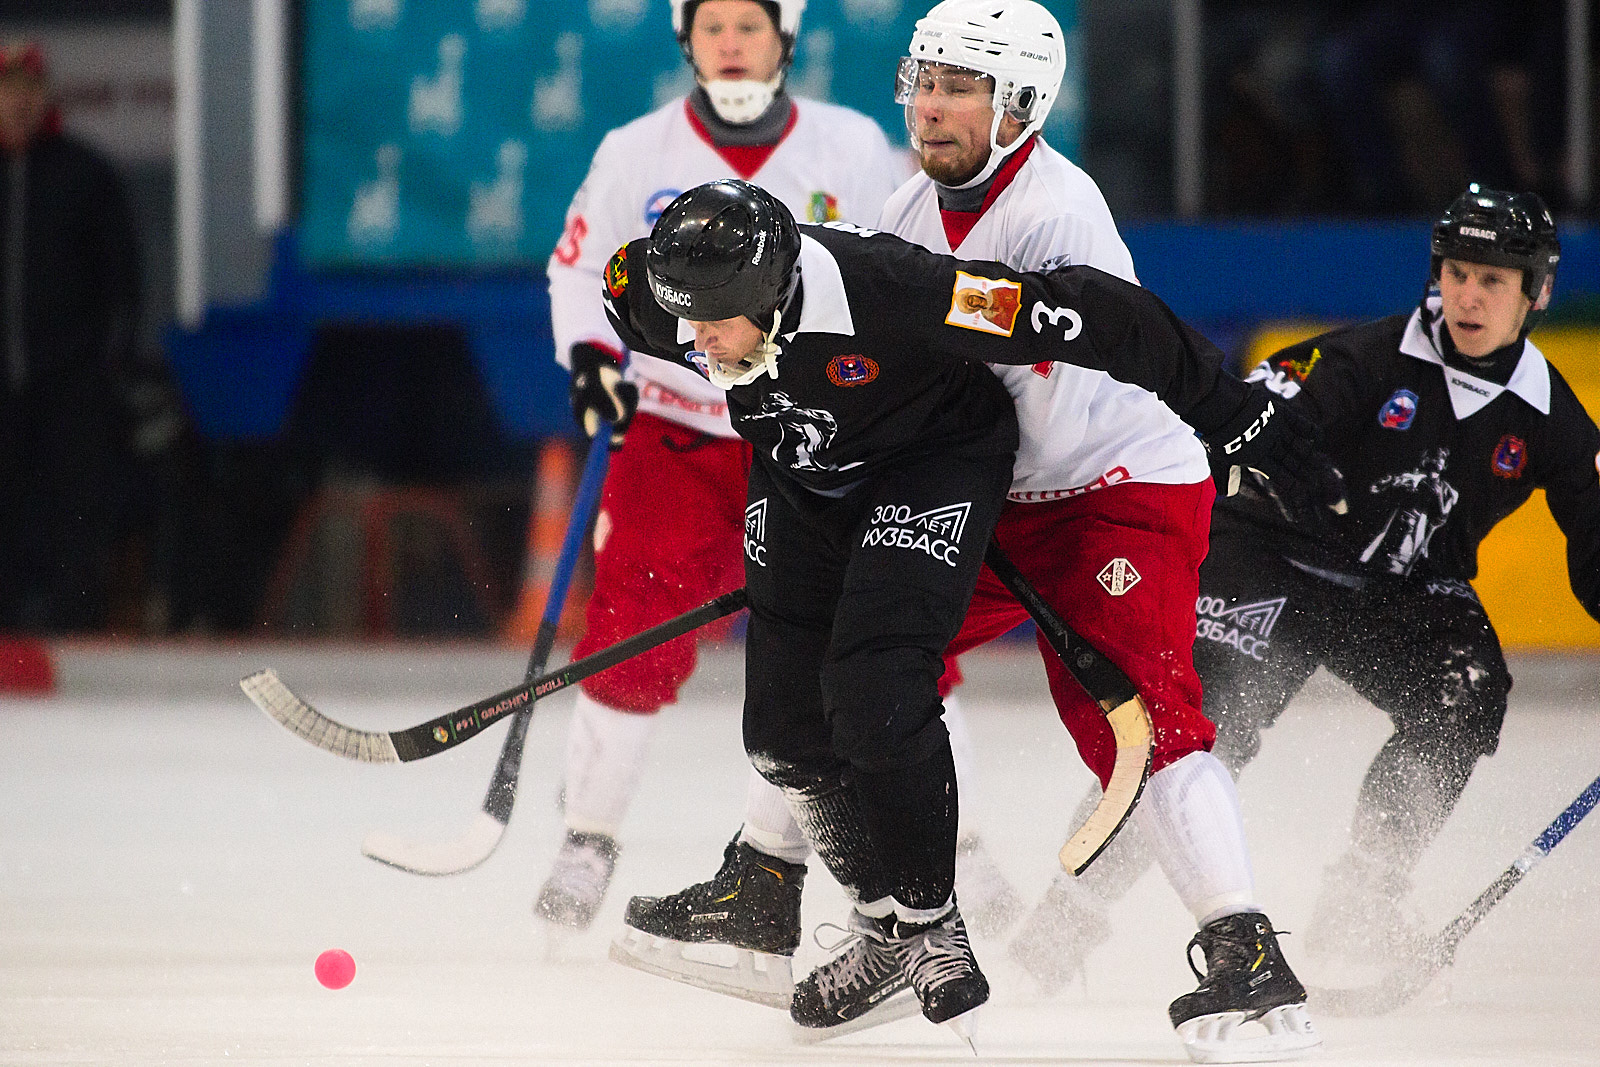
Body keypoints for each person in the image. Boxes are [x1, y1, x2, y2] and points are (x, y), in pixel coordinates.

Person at [611, 4, 1330, 1060]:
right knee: (845, 682)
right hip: (994, 496)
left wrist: (1227, 410)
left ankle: (1245, 951)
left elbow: (1109, 327)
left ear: (1021, 105)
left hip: (1107, 489)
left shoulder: (1056, 209)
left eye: (962, 89)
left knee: (1137, 718)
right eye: (925, 83)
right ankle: (809, 897)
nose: (932, 106)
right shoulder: (907, 208)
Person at [536, 0, 912, 931]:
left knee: (880, 640)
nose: (732, 43)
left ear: (785, 36)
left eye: (750, 24)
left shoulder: (855, 146)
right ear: (686, 41)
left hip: (810, 431)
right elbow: (582, 271)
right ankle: (588, 835)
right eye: (713, 28)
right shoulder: (638, 149)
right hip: (677, 432)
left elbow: (905, 269)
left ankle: (949, 846)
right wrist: (594, 357)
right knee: (635, 627)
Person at [1190, 185, 1597, 967]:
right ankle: (1074, 910)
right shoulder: (1359, 359)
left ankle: (1363, 897)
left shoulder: (1551, 415)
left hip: (1403, 593)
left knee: (1468, 690)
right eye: (1457, 273)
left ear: (1537, 293)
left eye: (1494, 280)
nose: (1469, 296)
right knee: (1205, 725)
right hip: (1277, 555)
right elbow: (1239, 430)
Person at [0, 41, 142, 633]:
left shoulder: (84, 174)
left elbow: (123, 280)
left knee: (72, 510)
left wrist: (110, 364)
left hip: (69, 385)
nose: (20, 103)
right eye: (9, 90)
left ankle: (73, 628)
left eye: (30, 90)